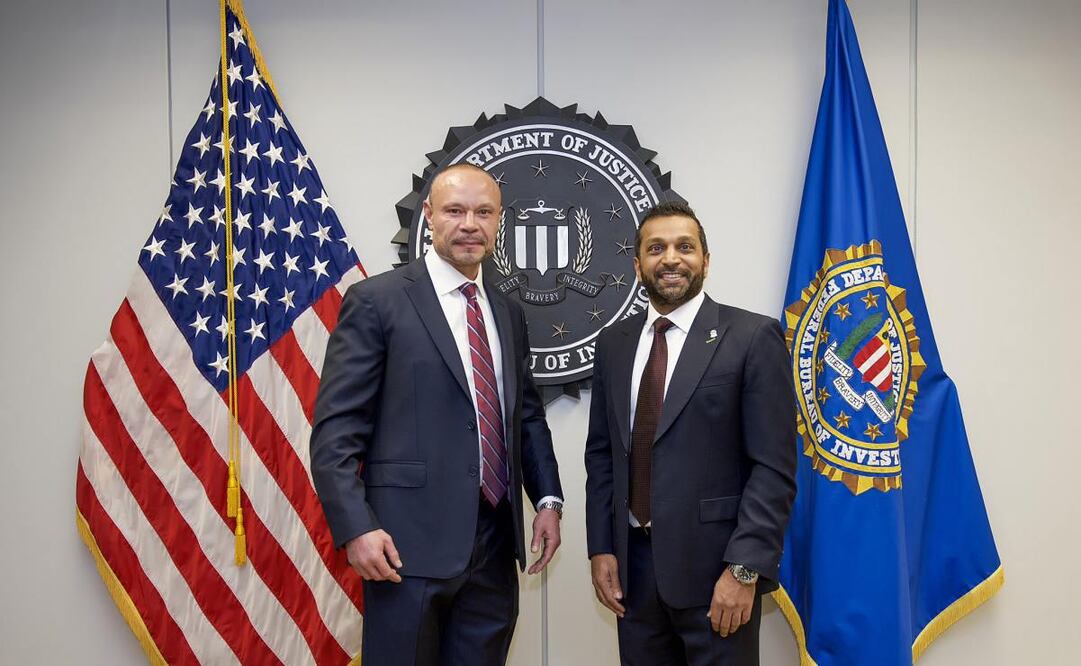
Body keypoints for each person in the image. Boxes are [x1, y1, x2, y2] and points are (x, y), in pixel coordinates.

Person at [311, 163, 564, 666]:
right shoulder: (376, 301)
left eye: (484, 212)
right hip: (403, 548)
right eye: (455, 210)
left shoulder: (507, 311)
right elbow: (336, 430)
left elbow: (525, 416)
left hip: (494, 546)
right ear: (428, 217)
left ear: (499, 223)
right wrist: (356, 526)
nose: (469, 223)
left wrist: (549, 498)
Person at [584, 201, 796, 665]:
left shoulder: (752, 337)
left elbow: (773, 468)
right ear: (638, 264)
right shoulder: (614, 344)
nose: (672, 258)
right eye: (656, 248)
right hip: (633, 577)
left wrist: (744, 570)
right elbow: (602, 455)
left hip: (718, 573)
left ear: (706, 259)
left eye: (686, 246)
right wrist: (601, 547)